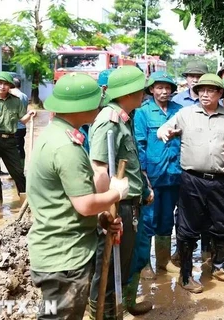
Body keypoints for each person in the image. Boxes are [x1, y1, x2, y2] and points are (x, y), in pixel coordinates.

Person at [27, 73, 128, 320]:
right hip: (65, 258)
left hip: (57, 249)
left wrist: (102, 219)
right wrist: (116, 192)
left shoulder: (55, 135)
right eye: (95, 102)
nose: (99, 106)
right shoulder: (66, 147)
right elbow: (83, 204)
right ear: (79, 107)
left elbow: (65, 199)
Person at [157, 74, 224, 293]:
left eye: (210, 91)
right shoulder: (186, 114)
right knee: (187, 229)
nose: (205, 94)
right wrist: (164, 132)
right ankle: (185, 276)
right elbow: (165, 127)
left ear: (219, 94)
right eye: (201, 91)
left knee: (223, 226)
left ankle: (219, 266)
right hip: (192, 180)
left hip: (221, 181)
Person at [88, 66, 154, 317]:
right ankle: (103, 314)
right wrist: (106, 210)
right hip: (118, 205)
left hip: (129, 203)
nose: (144, 94)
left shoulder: (126, 117)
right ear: (129, 92)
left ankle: (114, 310)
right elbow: (99, 169)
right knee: (106, 266)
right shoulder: (109, 120)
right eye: (141, 90)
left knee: (122, 264)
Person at [133, 71, 182, 280]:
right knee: (148, 219)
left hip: (174, 172)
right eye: (159, 87)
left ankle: (163, 261)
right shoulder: (143, 112)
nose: (164, 91)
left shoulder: (179, 111)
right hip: (152, 173)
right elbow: (140, 143)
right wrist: (143, 173)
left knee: (166, 218)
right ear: (151, 89)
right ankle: (144, 263)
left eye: (167, 87)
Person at [0, 72, 35, 211]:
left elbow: (22, 119)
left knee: (17, 172)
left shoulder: (16, 101)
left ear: (10, 86)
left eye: (5, 84)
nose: (2, 86)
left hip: (10, 139)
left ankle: (25, 201)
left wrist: (30, 115)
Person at [11, 78, 30, 170]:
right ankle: (20, 168)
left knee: (13, 149)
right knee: (20, 147)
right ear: (20, 86)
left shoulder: (13, 95)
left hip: (14, 127)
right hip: (22, 127)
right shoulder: (25, 96)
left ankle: (17, 169)